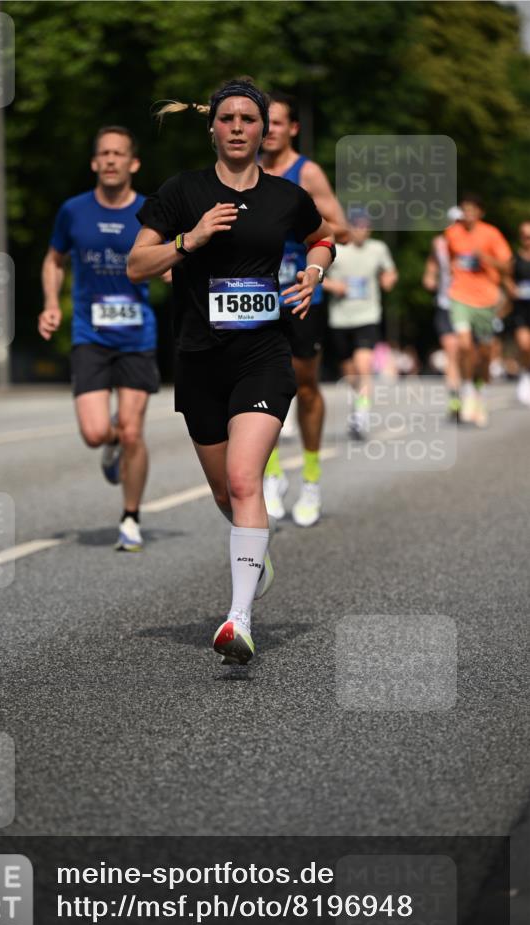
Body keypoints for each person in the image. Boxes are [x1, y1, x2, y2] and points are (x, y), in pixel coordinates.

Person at [127, 78, 334, 665]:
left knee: (246, 480)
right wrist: (188, 241)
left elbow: (323, 239)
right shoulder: (182, 191)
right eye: (228, 119)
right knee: (225, 490)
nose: (239, 128)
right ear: (212, 128)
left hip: (263, 354)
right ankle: (256, 549)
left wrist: (313, 273)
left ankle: (239, 619)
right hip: (198, 359)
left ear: (265, 130)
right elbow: (138, 265)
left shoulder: (284, 196)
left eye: (250, 119)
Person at [38, 126, 159, 551]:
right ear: (94, 162)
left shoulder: (150, 210)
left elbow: (167, 260)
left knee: (132, 430)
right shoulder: (74, 211)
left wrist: (168, 266)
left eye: (118, 153)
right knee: (96, 432)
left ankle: (130, 518)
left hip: (136, 335)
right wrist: (51, 302)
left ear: (133, 163)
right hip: (90, 334)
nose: (110, 160)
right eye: (103, 153)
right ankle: (110, 450)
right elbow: (54, 260)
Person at [260, 92, 349, 526]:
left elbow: (340, 229)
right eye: (265, 122)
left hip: (300, 292)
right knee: (256, 383)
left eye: (278, 123)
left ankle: (311, 480)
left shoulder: (306, 172)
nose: (270, 130)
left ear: (292, 128)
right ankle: (271, 473)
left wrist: (299, 217)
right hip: (252, 292)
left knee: (304, 383)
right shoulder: (245, 171)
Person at [322, 212, 397, 440]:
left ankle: (362, 415)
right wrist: (334, 286)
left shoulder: (378, 249)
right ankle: (358, 402)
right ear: (348, 228)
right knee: (350, 372)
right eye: (356, 226)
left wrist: (389, 279)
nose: (361, 231)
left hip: (368, 316)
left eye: (365, 227)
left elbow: (390, 271)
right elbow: (314, 274)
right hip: (340, 318)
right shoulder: (337, 249)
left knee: (364, 366)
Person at [443, 193, 513, 428]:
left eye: (472, 210)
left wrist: (486, 259)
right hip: (459, 296)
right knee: (463, 345)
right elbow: (451, 259)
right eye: (465, 210)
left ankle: (481, 391)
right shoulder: (452, 233)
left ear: (480, 212)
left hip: (486, 299)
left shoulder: (491, 234)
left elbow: (506, 264)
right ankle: (466, 390)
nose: (468, 214)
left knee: (484, 352)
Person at [422, 206, 464, 421]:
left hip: (471, 304)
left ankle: (474, 390)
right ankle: (454, 397)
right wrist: (430, 276)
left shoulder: (475, 244)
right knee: (451, 350)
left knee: (466, 351)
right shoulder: (439, 243)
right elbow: (432, 264)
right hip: (446, 303)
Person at [507, 220, 530, 407]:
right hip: (521, 309)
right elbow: (505, 278)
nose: (528, 240)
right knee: (524, 346)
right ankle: (526, 373)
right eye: (525, 236)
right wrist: (511, 288)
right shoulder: (515, 259)